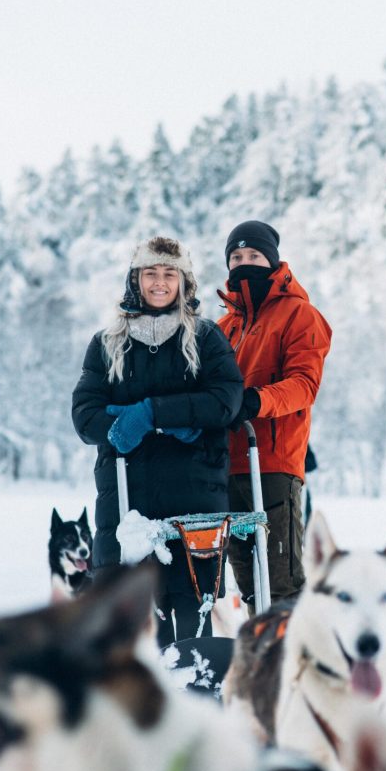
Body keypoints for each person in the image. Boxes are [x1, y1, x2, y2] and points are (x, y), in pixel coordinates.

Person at [72, 236, 243, 645]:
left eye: (170, 274)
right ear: (136, 279)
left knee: (193, 611)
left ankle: (194, 678)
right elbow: (84, 415)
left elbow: (226, 401)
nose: (160, 283)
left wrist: (154, 414)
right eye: (151, 273)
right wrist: (122, 420)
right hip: (128, 497)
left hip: (194, 492)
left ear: (184, 282)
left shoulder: (205, 337)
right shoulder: (106, 342)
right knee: (128, 619)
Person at [218, 220, 331, 611]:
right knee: (248, 584)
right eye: (236, 257)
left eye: (254, 255)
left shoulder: (299, 315)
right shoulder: (224, 326)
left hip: (273, 464)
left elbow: (303, 385)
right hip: (226, 466)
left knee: (280, 581)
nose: (244, 263)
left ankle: (293, 646)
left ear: (272, 260)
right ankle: (260, 647)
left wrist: (257, 401)